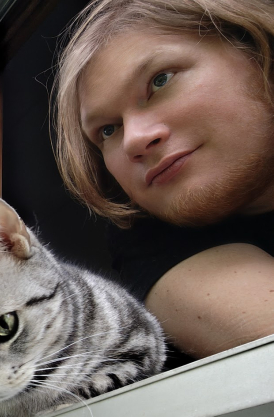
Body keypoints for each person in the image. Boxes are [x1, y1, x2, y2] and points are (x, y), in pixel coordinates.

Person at [53, 0, 274, 359]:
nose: (133, 140)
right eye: (108, 130)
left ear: (257, 50)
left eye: (160, 80)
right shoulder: (148, 242)